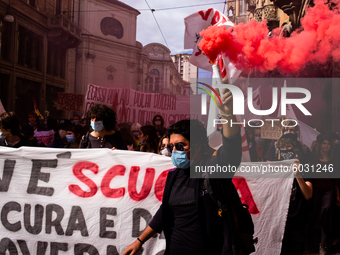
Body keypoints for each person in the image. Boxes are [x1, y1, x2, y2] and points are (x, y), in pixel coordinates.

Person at [123, 87, 243, 255]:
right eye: (172, 147)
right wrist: (139, 240)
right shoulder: (174, 176)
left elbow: (231, 150)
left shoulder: (213, 170)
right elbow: (165, 212)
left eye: (181, 146)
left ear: (199, 144)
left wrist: (229, 115)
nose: (175, 151)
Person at [274, 133, 313, 255]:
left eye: (288, 147)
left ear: (295, 148)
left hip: (297, 220)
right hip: (280, 219)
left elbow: (308, 194)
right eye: (283, 148)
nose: (286, 151)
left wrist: (297, 175)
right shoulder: (277, 168)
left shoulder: (305, 167)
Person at [308, 134, 339, 255]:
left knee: (325, 216)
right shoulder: (314, 157)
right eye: (324, 143)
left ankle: (323, 244)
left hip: (328, 190)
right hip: (315, 190)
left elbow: (335, 179)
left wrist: (337, 194)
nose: (326, 145)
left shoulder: (334, 159)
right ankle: (310, 243)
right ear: (320, 144)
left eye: (328, 143)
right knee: (313, 216)